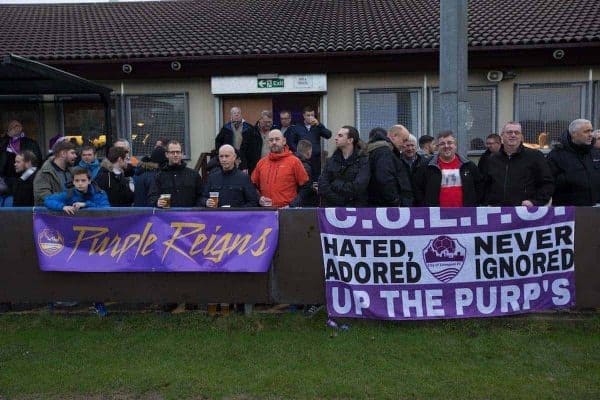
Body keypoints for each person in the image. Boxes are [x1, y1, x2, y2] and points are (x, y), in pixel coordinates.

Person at [482, 122, 554, 207]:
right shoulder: (492, 159)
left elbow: (547, 184)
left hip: (525, 212)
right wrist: (487, 203)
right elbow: (485, 185)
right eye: (509, 132)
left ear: (521, 137)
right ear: (502, 136)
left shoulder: (535, 156)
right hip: (498, 212)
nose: (513, 135)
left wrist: (534, 201)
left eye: (517, 133)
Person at [413, 131, 482, 207]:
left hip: (464, 215)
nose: (446, 146)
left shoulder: (468, 166)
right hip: (436, 216)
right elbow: (417, 189)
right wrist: (425, 206)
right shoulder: (427, 167)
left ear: (455, 145)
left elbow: (479, 187)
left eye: (449, 143)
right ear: (438, 147)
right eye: (442, 144)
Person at [547, 119, 600, 206]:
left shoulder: (595, 153)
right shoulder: (556, 155)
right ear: (574, 134)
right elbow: (548, 183)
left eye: (591, 130)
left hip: (595, 208)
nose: (591, 134)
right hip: (568, 211)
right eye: (586, 131)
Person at [251, 129, 309, 208]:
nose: (274, 142)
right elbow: (251, 185)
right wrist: (259, 198)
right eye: (271, 140)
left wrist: (292, 205)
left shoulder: (294, 162)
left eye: (277, 139)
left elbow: (305, 188)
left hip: (287, 213)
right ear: (268, 143)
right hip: (266, 212)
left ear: (284, 141)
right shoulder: (261, 163)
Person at [318, 126, 370, 207]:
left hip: (355, 209)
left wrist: (336, 183)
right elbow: (322, 185)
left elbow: (358, 187)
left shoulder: (363, 161)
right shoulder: (331, 160)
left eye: (340, 136)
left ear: (350, 140)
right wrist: (338, 200)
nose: (335, 138)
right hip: (332, 210)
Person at [0, 120, 43, 206]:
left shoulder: (30, 142)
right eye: (13, 126)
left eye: (18, 126)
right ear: (9, 129)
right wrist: (8, 136)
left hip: (25, 176)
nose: (16, 128)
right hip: (7, 177)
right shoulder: (4, 142)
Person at [148, 140, 204, 207]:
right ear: (167, 154)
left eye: (178, 152)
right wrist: (157, 202)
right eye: (172, 152)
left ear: (182, 154)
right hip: (168, 216)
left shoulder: (194, 175)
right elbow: (152, 197)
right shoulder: (159, 176)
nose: (175, 155)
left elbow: (201, 196)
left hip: (189, 216)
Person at [366, 127, 413, 206]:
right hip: (387, 207)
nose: (405, 145)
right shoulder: (385, 152)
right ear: (394, 136)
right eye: (404, 140)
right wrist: (395, 201)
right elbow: (384, 178)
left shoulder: (379, 150)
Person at [288, 106, 332, 180]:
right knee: (303, 179)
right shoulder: (297, 127)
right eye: (308, 115)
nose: (310, 117)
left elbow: (328, 135)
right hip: (302, 160)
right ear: (304, 116)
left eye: (312, 115)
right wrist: (300, 153)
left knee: (315, 180)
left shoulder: (318, 126)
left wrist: (319, 125)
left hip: (316, 160)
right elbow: (291, 142)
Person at [44, 167, 110, 213]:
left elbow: (106, 209)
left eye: (83, 180)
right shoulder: (69, 194)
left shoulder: (99, 193)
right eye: (77, 180)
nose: (80, 183)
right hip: (76, 227)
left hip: (97, 226)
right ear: (73, 182)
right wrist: (62, 207)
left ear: (89, 181)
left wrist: (85, 204)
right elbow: (48, 200)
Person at [215, 107, 260, 173]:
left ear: (241, 115)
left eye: (238, 113)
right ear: (231, 115)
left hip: (245, 159)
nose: (236, 115)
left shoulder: (249, 128)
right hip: (230, 157)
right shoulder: (225, 128)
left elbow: (254, 145)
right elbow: (218, 142)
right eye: (234, 113)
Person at [33, 140, 78, 206]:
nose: (75, 156)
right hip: (50, 215)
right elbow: (45, 198)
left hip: (70, 214)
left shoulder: (73, 172)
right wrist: (65, 203)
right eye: (72, 153)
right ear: (63, 154)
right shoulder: (44, 174)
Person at [291, 139, 319, 207]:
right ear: (309, 152)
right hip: (298, 203)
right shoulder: (305, 166)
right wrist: (314, 189)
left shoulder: (290, 161)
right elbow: (305, 189)